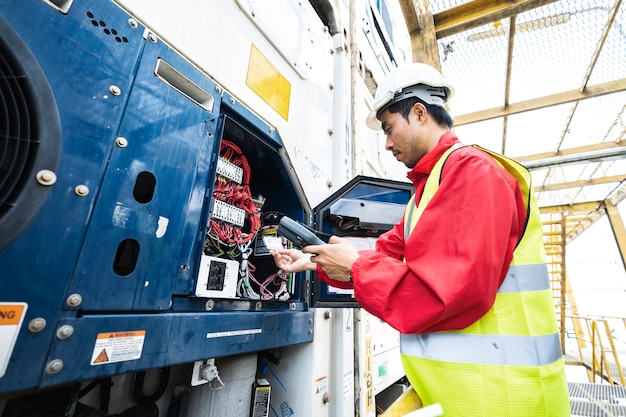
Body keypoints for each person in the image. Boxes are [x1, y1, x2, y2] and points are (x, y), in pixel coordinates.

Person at [271, 62, 570, 416]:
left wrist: (354, 269)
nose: (385, 144)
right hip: (461, 397)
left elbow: (446, 294)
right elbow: (384, 253)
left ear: (418, 112)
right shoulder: (427, 191)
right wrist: (316, 259)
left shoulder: (476, 174)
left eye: (389, 128)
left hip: (506, 401)